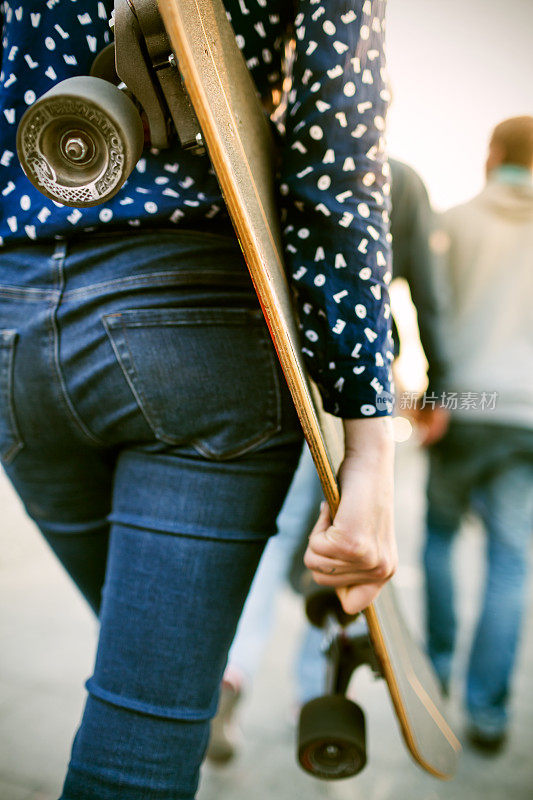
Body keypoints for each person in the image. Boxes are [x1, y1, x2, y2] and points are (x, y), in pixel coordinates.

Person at [0, 1, 396, 797]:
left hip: (11, 329)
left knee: (149, 667)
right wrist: (370, 449)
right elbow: (336, 159)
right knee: (142, 722)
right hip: (196, 330)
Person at [208, 157, 449, 762]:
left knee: (276, 535)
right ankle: (315, 700)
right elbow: (428, 294)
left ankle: (231, 673)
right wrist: (439, 385)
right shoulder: (399, 179)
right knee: (341, 543)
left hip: (267, 359)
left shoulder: (260, 150)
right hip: (354, 378)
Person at [422, 116, 533, 753]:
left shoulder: (455, 220)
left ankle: (433, 677)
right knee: (511, 561)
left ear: (492, 155)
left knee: (438, 537)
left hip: (462, 403)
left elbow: (430, 311)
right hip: (526, 416)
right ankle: (487, 713)